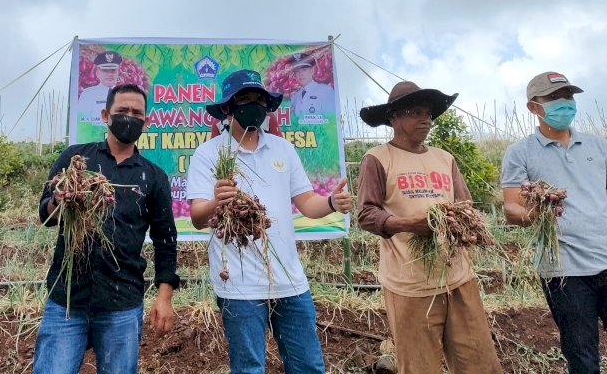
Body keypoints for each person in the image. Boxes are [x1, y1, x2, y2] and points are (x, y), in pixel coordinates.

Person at [187, 69, 351, 374]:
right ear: (227, 108)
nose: (254, 105)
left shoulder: (283, 150)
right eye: (244, 99)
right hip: (239, 287)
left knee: (309, 366)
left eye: (259, 99)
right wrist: (217, 200)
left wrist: (331, 202)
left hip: (290, 281)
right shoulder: (208, 154)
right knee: (249, 368)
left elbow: (306, 203)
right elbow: (198, 217)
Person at [357, 81, 502, 374]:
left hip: (458, 277)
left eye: (429, 114)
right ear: (393, 117)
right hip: (409, 285)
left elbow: (465, 204)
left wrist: (462, 222)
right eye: (416, 112)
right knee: (420, 367)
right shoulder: (378, 158)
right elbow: (366, 214)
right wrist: (409, 224)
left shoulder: (444, 159)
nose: (426, 119)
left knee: (480, 364)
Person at [34, 83, 179, 374]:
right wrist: (60, 202)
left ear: (147, 121)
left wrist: (164, 298)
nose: (129, 117)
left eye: (137, 113)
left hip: (122, 301)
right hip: (67, 299)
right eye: (122, 111)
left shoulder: (153, 176)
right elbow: (46, 215)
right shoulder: (75, 159)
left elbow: (165, 239)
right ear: (105, 115)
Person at [501, 72, 607, 374]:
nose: (565, 104)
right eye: (554, 98)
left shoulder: (599, 147)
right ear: (534, 107)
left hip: (606, 258)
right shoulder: (520, 152)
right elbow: (511, 207)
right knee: (582, 354)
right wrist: (537, 211)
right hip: (563, 271)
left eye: (569, 96)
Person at [78, 51, 122, 124]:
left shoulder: (125, 95)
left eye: (113, 70)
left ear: (118, 72)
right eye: (105, 70)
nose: (110, 74)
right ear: (97, 73)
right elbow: (82, 123)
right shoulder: (87, 95)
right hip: (95, 135)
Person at [289, 53, 334, 118]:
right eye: (297, 71)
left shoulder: (325, 90)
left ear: (312, 71)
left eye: (304, 70)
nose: (300, 74)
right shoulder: (295, 96)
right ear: (294, 75)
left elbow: (331, 119)